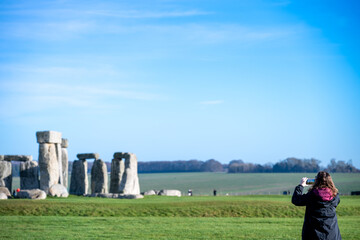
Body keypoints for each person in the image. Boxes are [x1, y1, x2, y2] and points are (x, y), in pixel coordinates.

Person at [292, 171, 342, 240]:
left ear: (316, 181)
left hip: (312, 234)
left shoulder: (311, 195)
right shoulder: (335, 196)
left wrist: (301, 186)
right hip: (332, 234)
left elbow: (296, 200)